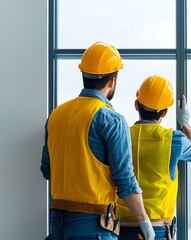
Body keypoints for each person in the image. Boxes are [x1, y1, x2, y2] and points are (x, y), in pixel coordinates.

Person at [40, 41, 155, 240]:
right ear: (112, 81)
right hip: (93, 225)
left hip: (57, 223)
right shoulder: (110, 119)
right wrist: (144, 221)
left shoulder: (56, 115)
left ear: (84, 75)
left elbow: (47, 170)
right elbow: (125, 181)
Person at [117, 74, 191, 240]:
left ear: (136, 105)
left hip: (119, 229)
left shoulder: (120, 135)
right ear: (164, 112)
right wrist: (185, 123)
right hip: (157, 230)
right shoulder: (173, 140)